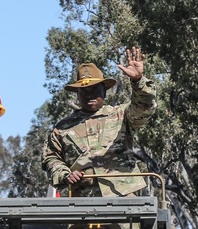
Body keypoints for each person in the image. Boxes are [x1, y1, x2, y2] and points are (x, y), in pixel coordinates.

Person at [42, 48, 156, 198]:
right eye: (84, 90)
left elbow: (145, 107)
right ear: (77, 94)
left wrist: (138, 81)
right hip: (81, 202)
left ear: (104, 91)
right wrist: (65, 174)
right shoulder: (62, 128)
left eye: (94, 89)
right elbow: (50, 157)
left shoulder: (120, 115)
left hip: (123, 200)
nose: (89, 95)